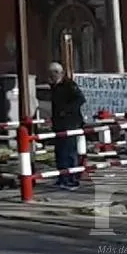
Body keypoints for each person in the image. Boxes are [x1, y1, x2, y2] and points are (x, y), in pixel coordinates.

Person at [48, 62, 85, 190]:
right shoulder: (54, 87)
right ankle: (62, 177)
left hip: (70, 123)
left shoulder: (69, 85)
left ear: (59, 73)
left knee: (69, 151)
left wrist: (66, 110)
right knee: (60, 152)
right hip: (59, 124)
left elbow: (80, 99)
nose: (51, 76)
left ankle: (72, 179)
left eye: (54, 73)